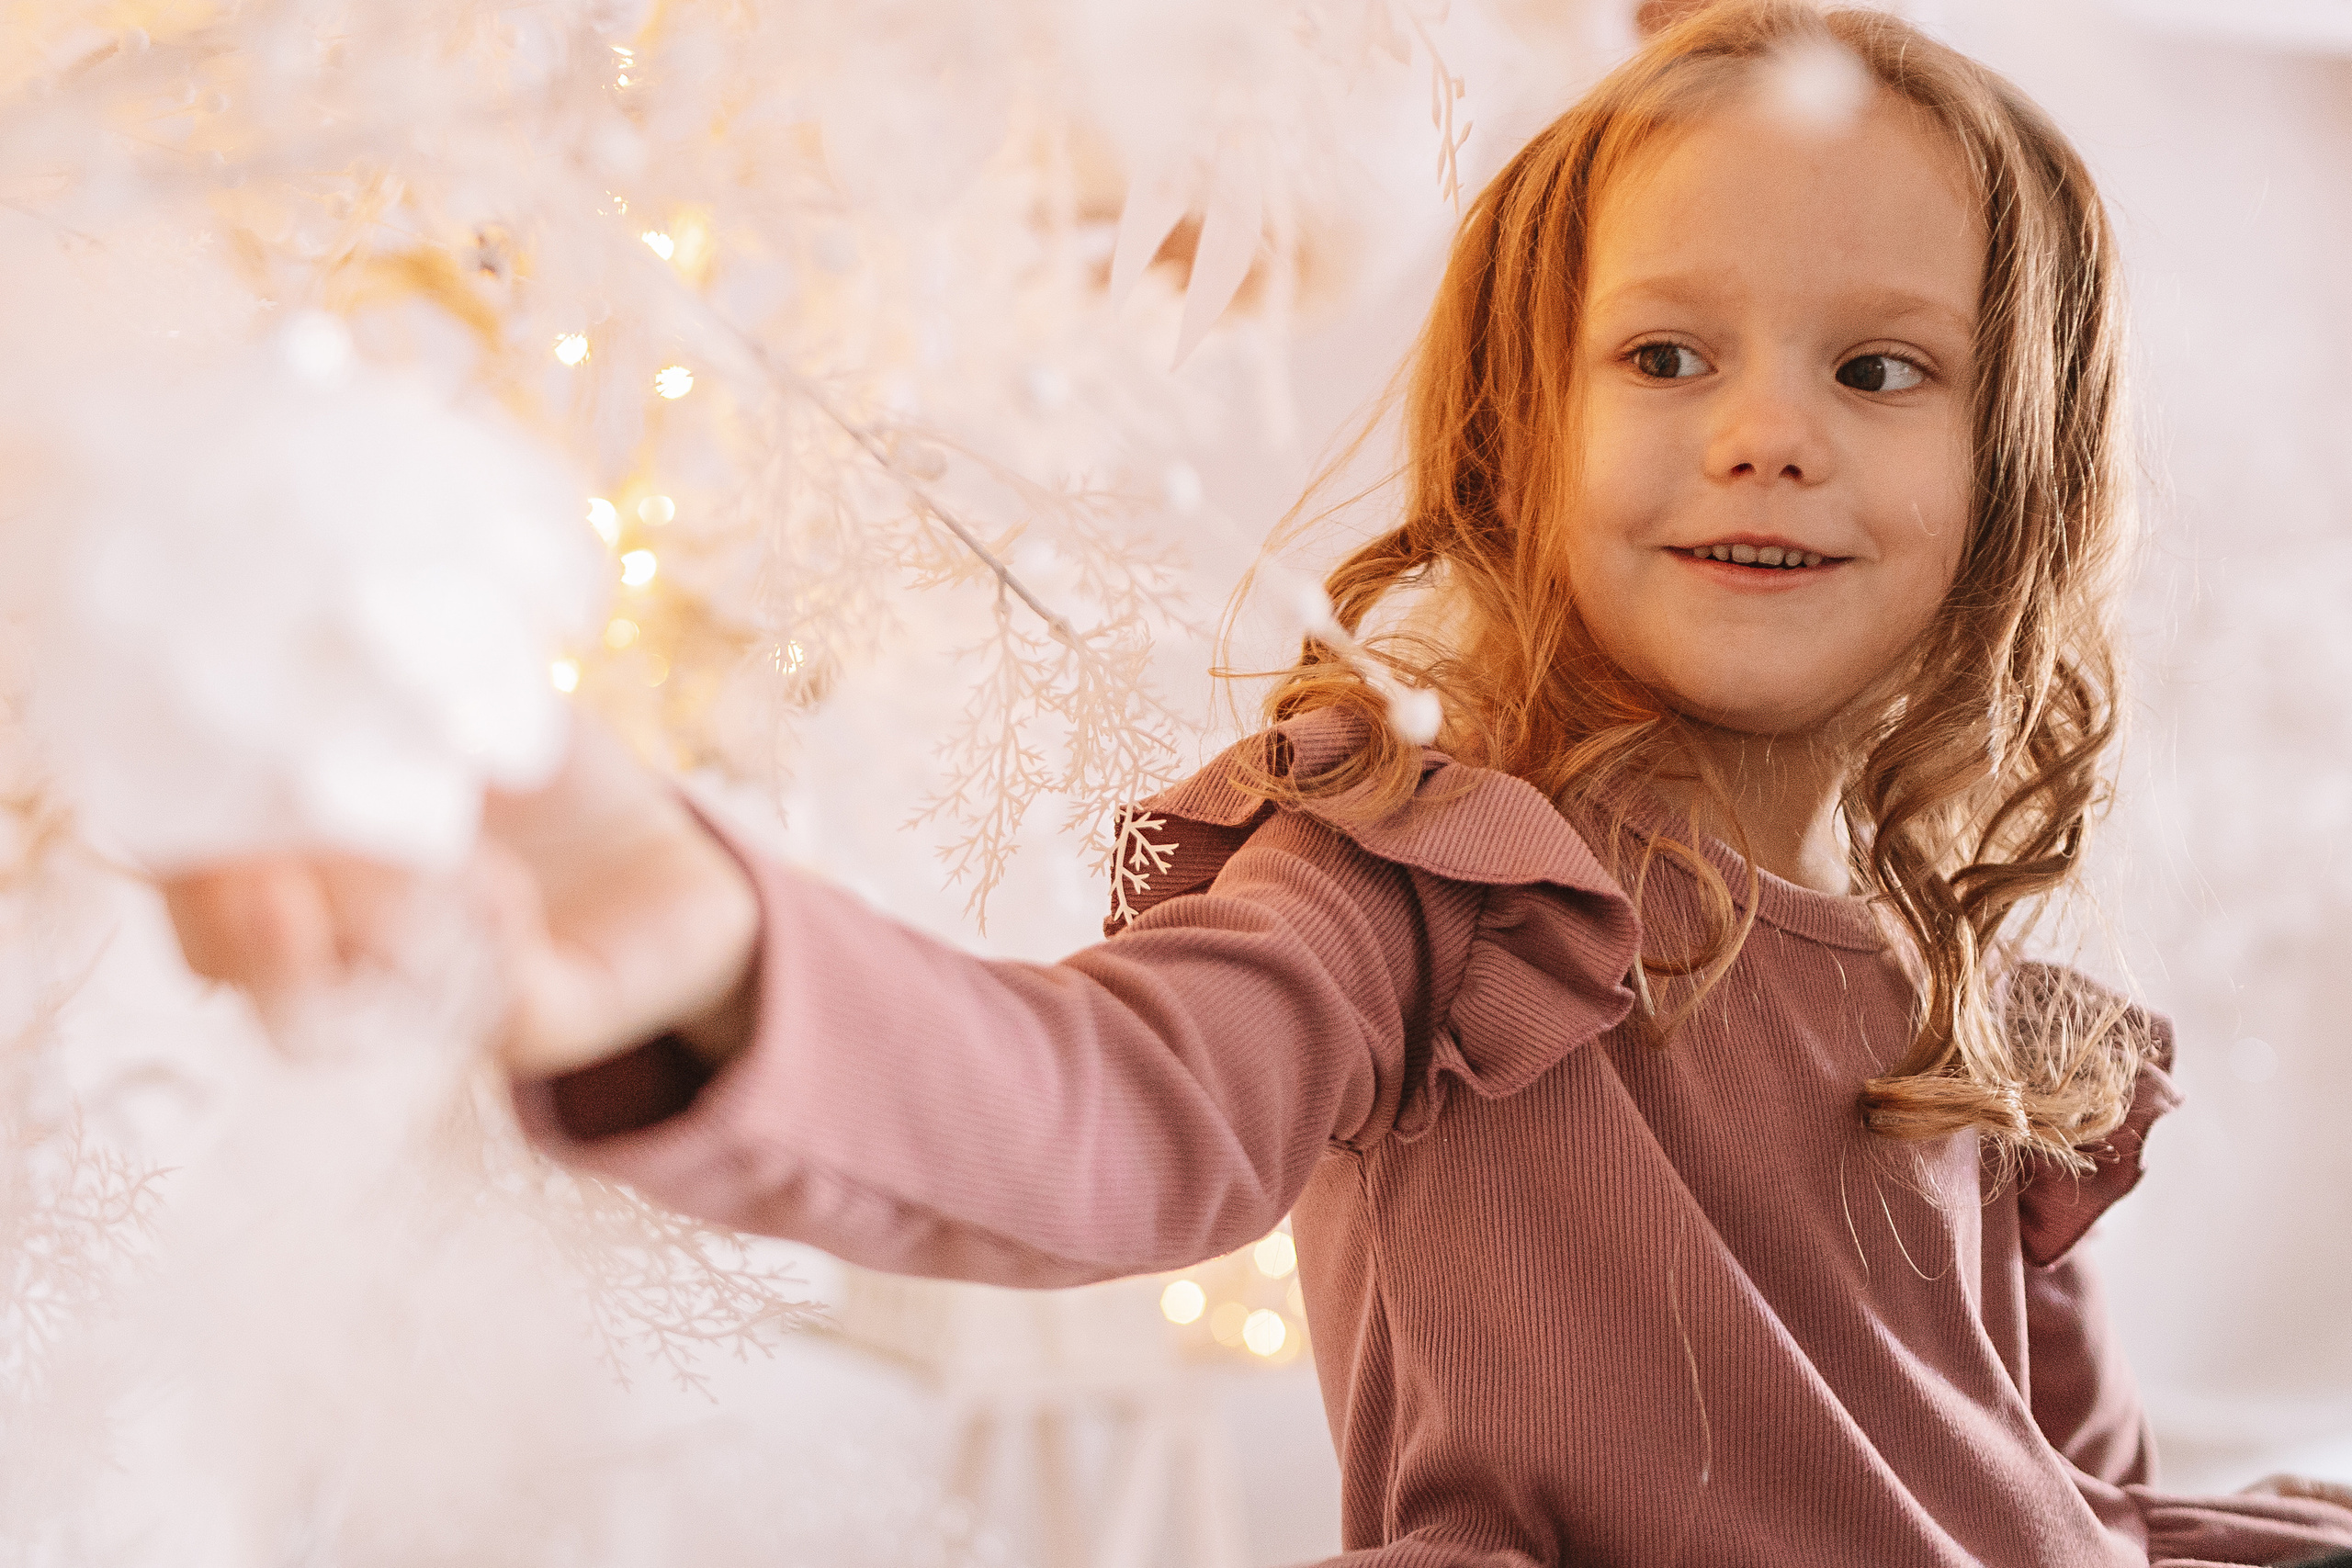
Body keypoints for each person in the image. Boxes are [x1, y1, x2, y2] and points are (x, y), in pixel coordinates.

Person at [164, 4, 2352, 1564]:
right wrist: (721, 951)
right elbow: (1096, 1109)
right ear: (1521, 427)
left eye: (1876, 368)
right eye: (1664, 354)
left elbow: (2070, 1488)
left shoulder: (1988, 1018)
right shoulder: (1441, 878)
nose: (1762, 427)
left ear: (2019, 475)